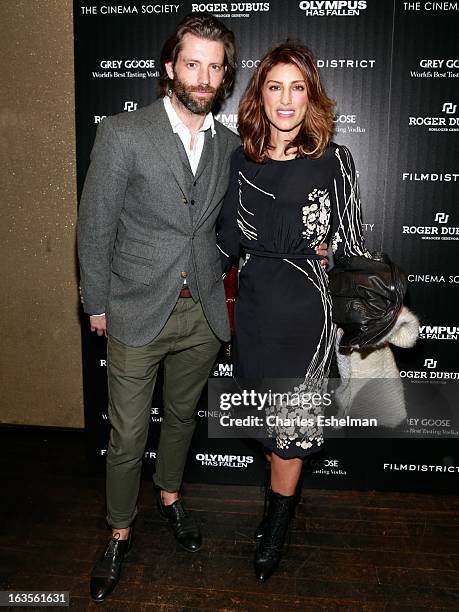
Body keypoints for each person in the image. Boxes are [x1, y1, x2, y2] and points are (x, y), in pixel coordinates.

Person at [77, 14, 241, 602]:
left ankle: (170, 497)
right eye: (191, 63)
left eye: (214, 66)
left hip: (202, 313)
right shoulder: (124, 133)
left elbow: (227, 225)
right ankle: (119, 531)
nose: (202, 76)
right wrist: (97, 301)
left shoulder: (229, 145)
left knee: (181, 420)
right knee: (125, 434)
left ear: (224, 77)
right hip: (134, 308)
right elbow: (94, 227)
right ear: (170, 68)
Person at [217, 42, 370, 582]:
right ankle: (278, 509)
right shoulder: (240, 159)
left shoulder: (335, 159)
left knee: (291, 433)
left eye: (297, 87)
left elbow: (351, 243)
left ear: (312, 96)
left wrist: (375, 307)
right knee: (268, 425)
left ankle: (276, 529)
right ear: (259, 94)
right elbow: (228, 241)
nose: (286, 99)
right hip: (255, 313)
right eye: (274, 86)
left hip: (307, 315)